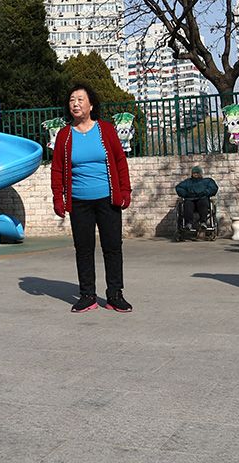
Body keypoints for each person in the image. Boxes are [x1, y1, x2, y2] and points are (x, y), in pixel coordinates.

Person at [50, 84, 133, 313]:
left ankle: (115, 294)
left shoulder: (106, 130)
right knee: (84, 249)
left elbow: (120, 162)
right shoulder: (65, 135)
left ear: (91, 105)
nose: (75, 104)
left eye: (80, 99)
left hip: (108, 199)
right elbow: (57, 169)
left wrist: (125, 191)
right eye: (72, 100)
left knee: (112, 247)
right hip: (79, 202)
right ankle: (87, 295)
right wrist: (59, 197)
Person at [175, 165, 217, 240]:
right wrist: (186, 194)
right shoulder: (188, 182)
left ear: (201, 174)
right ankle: (188, 224)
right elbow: (179, 188)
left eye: (197, 173)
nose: (196, 174)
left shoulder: (207, 181)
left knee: (203, 202)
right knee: (187, 203)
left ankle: (203, 223)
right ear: (192, 174)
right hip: (190, 200)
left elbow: (213, 188)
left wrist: (206, 192)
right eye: (194, 173)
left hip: (202, 199)